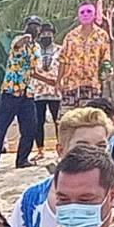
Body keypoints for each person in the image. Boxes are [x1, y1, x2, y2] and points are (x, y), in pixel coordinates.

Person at [9, 107, 114, 227]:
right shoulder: (33, 198)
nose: (92, 154)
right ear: (61, 150)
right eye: (82, 147)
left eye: (101, 146)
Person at [0, 17, 50, 172]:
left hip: (27, 92)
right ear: (26, 27)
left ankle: (22, 159)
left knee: (30, 127)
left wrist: (51, 81)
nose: (34, 29)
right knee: (1, 128)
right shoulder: (19, 40)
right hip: (11, 90)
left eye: (36, 26)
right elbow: (17, 45)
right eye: (31, 26)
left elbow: (33, 71)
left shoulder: (37, 48)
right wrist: (25, 38)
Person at [59, 4, 113, 108]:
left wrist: (105, 75)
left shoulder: (102, 35)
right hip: (71, 84)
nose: (85, 14)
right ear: (78, 16)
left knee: (89, 119)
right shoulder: (71, 36)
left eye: (89, 11)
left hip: (92, 84)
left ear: (94, 15)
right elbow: (63, 59)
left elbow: (105, 59)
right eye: (82, 12)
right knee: (68, 120)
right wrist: (58, 82)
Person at [32, 25, 63, 153]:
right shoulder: (35, 50)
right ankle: (40, 149)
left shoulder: (60, 50)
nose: (46, 36)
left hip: (55, 90)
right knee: (38, 121)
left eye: (49, 33)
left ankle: (60, 146)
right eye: (43, 34)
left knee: (58, 121)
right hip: (38, 91)